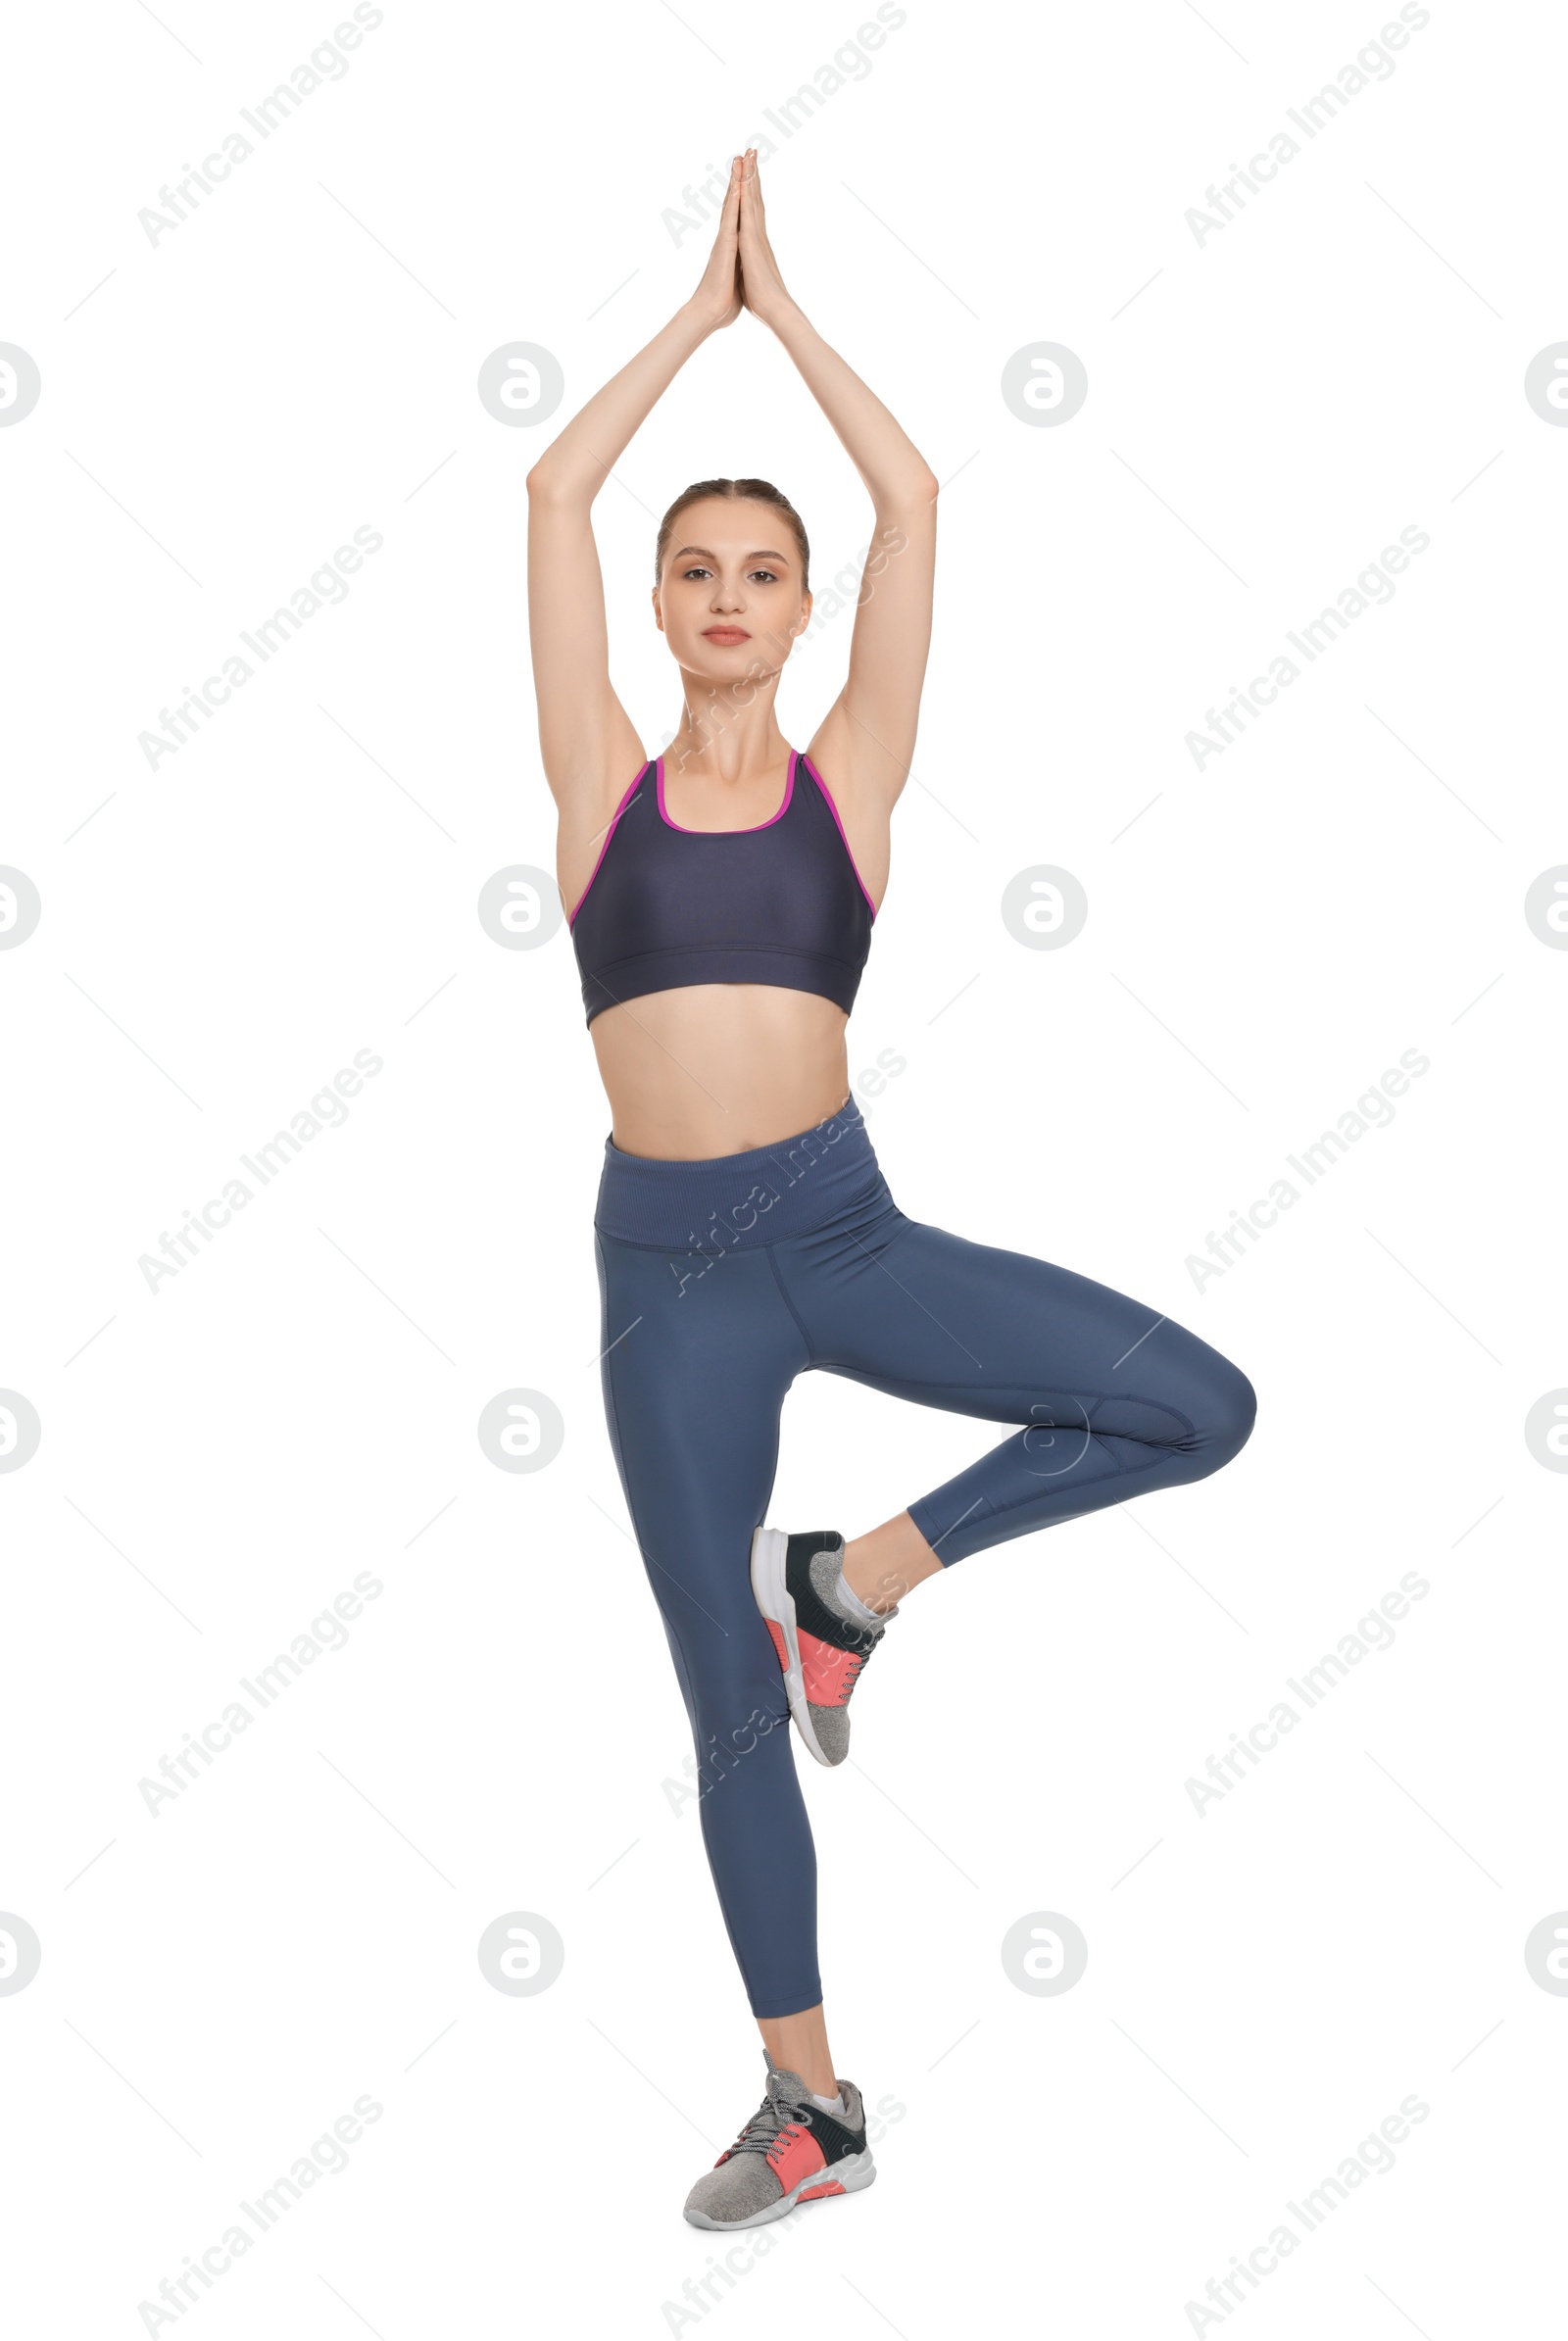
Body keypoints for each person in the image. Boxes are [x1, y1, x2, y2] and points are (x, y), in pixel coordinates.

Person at [525, 152, 1256, 2230]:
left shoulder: (852, 782)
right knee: (719, 1704)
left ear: (803, 606)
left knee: (1190, 1405)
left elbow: (919, 504)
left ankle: (860, 1583)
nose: (732, 593)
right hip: (669, 1282)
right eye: (702, 570)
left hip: (839, 1233)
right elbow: (546, 507)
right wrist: (689, 322)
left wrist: (791, 317)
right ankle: (808, 2104)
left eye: (765, 566)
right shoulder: (600, 784)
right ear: (665, 609)